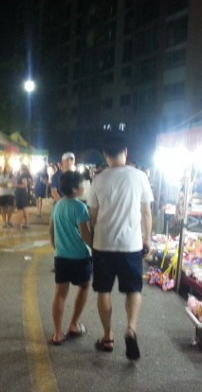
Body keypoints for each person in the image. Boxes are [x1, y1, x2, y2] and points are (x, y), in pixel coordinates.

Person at [87, 135, 153, 360]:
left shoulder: (98, 180)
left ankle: (107, 337)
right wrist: (147, 239)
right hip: (131, 245)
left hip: (103, 244)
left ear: (105, 155)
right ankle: (131, 329)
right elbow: (146, 212)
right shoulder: (140, 176)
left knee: (103, 291)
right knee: (133, 290)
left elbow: (92, 216)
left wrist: (93, 239)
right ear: (125, 151)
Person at [48, 171, 92, 345]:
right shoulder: (80, 207)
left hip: (61, 257)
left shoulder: (58, 205)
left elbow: (51, 230)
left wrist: (56, 247)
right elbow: (85, 234)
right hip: (80, 256)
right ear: (74, 189)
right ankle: (73, 324)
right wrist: (95, 248)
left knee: (60, 292)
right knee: (84, 286)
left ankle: (57, 333)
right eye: (82, 184)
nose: (84, 187)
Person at [0, 164, 15, 228]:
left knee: (10, 208)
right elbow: (0, 184)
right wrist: (9, 184)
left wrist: (7, 184)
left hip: (11, 193)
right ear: (6, 168)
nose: (10, 169)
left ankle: (9, 220)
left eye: (10, 168)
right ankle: (4, 222)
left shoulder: (13, 176)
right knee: (3, 208)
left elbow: (14, 185)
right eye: (8, 168)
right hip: (2, 193)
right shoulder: (2, 175)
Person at [15, 164, 33, 229]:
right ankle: (26, 223)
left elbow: (24, 185)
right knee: (24, 208)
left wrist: (15, 185)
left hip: (21, 193)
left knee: (21, 208)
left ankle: (19, 223)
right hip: (23, 193)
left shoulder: (23, 176)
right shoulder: (26, 175)